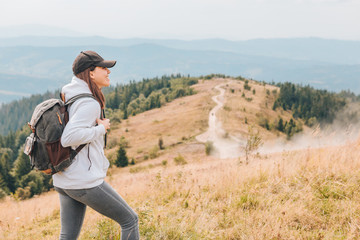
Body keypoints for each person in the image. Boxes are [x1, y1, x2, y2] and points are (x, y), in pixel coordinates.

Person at [53, 50, 139, 240]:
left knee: (68, 235)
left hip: (64, 178)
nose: (108, 72)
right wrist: (101, 129)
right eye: (104, 68)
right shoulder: (89, 103)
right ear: (90, 73)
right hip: (82, 180)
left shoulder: (70, 94)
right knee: (130, 220)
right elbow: (68, 138)